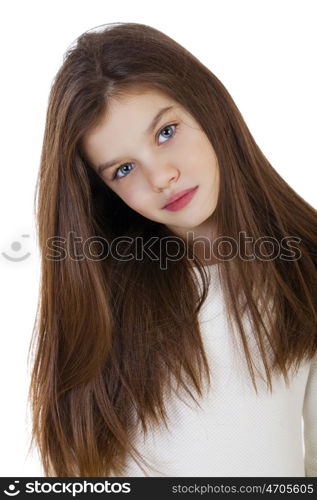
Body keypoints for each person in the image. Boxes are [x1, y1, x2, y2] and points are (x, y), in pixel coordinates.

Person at [28, 22, 317, 477]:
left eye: (166, 132)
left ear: (208, 109)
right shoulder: (103, 303)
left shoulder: (304, 271)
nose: (161, 177)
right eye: (123, 169)